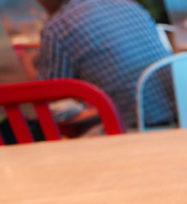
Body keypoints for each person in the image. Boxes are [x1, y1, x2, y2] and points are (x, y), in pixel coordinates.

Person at [33, 0, 173, 129]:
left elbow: (50, 96)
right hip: (179, 118)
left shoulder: (58, 27)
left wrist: (29, 65)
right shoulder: (128, 5)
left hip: (131, 127)